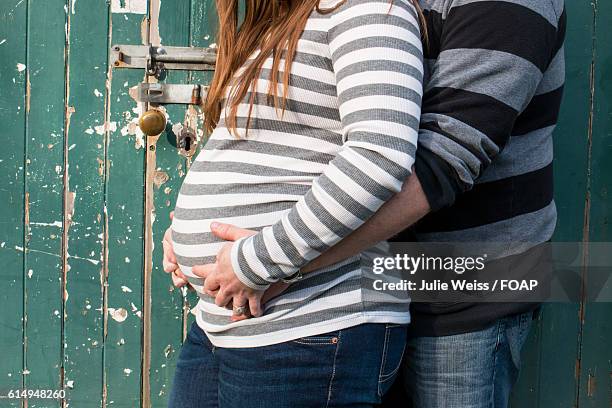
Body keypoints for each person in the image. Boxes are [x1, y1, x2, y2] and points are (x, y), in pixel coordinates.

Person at [165, 0, 567, 407]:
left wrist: (275, 261)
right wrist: (195, 226)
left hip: (460, 286)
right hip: (359, 278)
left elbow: (441, 158)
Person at [164, 0, 425, 406]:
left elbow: (381, 154)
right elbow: (257, 149)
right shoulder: (279, 21)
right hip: (222, 326)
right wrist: (183, 230)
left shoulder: (367, 7)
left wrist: (257, 261)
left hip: (312, 328)